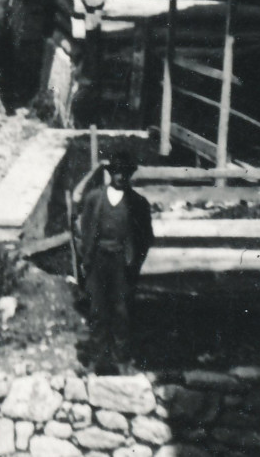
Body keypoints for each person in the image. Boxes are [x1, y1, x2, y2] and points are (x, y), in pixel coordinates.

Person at [76, 153, 154, 374]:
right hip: (98, 260)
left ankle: (121, 361)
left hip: (122, 262)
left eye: (125, 173)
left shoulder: (138, 203)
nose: (121, 176)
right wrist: (86, 260)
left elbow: (146, 237)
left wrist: (134, 263)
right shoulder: (94, 198)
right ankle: (97, 359)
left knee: (122, 311)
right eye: (117, 171)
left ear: (130, 175)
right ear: (110, 173)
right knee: (97, 310)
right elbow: (85, 229)